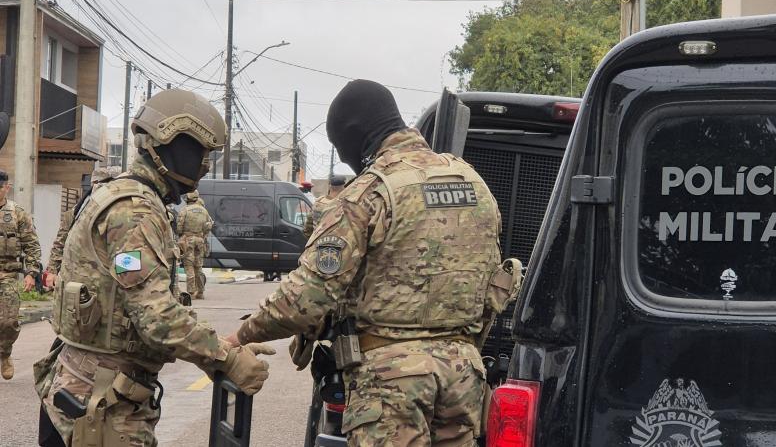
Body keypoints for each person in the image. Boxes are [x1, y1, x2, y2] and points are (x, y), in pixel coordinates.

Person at [228, 80, 521, 446]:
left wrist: (240, 336)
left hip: (392, 382)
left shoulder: (369, 193)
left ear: (355, 136)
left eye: (340, 148)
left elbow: (304, 299)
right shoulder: (473, 182)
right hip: (463, 376)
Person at [35, 89, 274, 446]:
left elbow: (144, 302)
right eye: (201, 153)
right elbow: (156, 318)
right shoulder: (136, 212)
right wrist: (227, 359)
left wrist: (218, 350)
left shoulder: (122, 195)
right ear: (172, 144)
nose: (205, 165)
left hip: (87, 389)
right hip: (99, 403)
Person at [45, 166, 122, 290]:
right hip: (77, 281)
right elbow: (60, 243)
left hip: (107, 282)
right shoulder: (76, 212)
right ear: (93, 184)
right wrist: (52, 271)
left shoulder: (119, 213)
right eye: (100, 184)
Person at [0, 170, 41, 380]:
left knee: (9, 322)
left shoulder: (17, 213)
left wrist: (31, 273)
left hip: (7, 274)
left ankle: (4, 353)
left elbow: (32, 245)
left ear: (6, 188)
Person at [176, 190, 213, 299]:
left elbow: (179, 228)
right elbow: (208, 226)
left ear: (187, 198)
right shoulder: (204, 211)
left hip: (188, 240)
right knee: (199, 266)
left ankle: (191, 292)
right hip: (200, 240)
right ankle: (200, 292)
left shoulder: (185, 210)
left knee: (189, 266)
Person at [302, 175, 346, 240]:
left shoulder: (318, 202)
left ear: (330, 186)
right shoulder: (344, 205)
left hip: (318, 242)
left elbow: (308, 227)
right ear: (344, 187)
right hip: (336, 243)